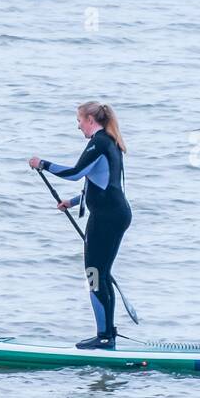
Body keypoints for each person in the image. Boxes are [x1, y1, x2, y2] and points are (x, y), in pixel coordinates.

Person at [29, 102, 131, 349]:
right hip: (115, 214)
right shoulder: (110, 141)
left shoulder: (99, 142)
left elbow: (76, 173)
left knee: (95, 275)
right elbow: (99, 182)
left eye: (79, 121)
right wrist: (74, 202)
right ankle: (107, 334)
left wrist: (43, 164)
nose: (78, 126)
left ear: (90, 119)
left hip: (106, 218)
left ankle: (104, 337)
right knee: (101, 275)